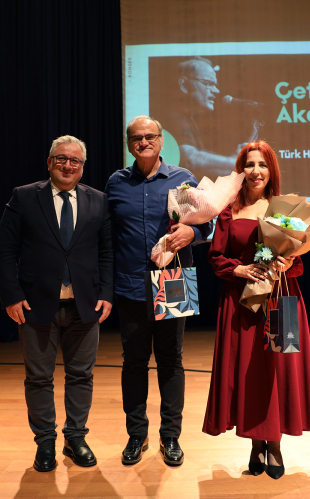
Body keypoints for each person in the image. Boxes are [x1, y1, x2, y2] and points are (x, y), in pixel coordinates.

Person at [0, 135, 113, 473]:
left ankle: (75, 437)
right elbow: (4, 250)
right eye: (61, 158)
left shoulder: (98, 200)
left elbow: (107, 252)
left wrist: (107, 293)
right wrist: (12, 295)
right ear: (49, 163)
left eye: (75, 160)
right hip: (35, 306)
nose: (67, 165)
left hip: (84, 306)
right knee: (38, 378)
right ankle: (45, 441)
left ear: (82, 167)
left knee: (81, 376)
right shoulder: (24, 196)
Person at [202, 140, 310, 479]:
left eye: (262, 164)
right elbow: (216, 257)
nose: (256, 171)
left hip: (281, 299)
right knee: (249, 371)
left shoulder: (286, 211)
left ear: (272, 170)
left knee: (279, 370)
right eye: (250, 164)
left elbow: (298, 261)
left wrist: (288, 263)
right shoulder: (228, 211)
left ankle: (275, 443)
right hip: (242, 302)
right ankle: (256, 442)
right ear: (241, 170)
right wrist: (239, 269)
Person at [105, 116, 213, 467]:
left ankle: (170, 437)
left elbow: (206, 225)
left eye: (150, 136)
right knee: (134, 362)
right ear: (128, 144)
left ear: (161, 139)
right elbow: (106, 234)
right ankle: (137, 435)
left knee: (171, 360)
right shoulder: (117, 182)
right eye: (136, 138)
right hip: (130, 284)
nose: (144, 142)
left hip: (175, 281)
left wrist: (193, 234)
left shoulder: (181, 179)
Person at [163, 57, 254, 175]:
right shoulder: (172, 118)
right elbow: (190, 159)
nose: (216, 91)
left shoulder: (188, 120)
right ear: (184, 85)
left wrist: (234, 158)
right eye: (208, 84)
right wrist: (237, 162)